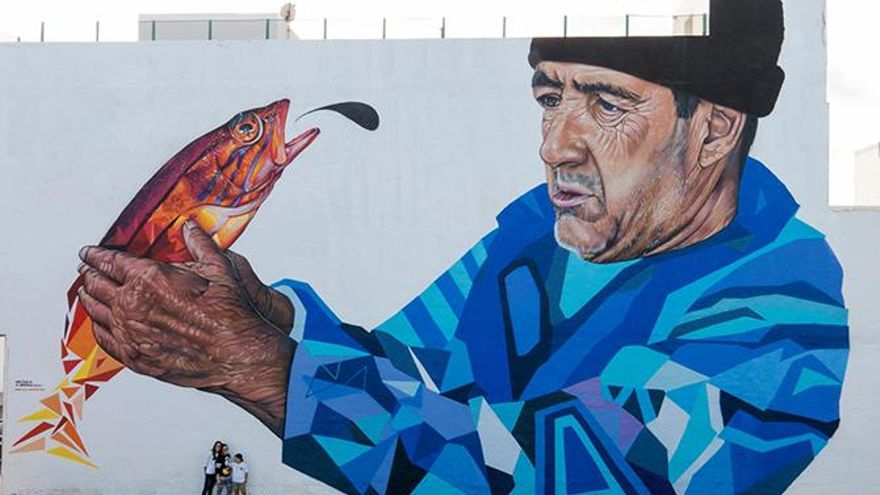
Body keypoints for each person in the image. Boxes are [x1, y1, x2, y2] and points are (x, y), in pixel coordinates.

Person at [76, 0, 848, 493]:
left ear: (715, 129)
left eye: (607, 104)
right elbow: (415, 371)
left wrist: (267, 371)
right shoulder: (540, 234)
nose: (554, 146)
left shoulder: (782, 313)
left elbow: (548, 475)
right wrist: (273, 318)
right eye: (551, 95)